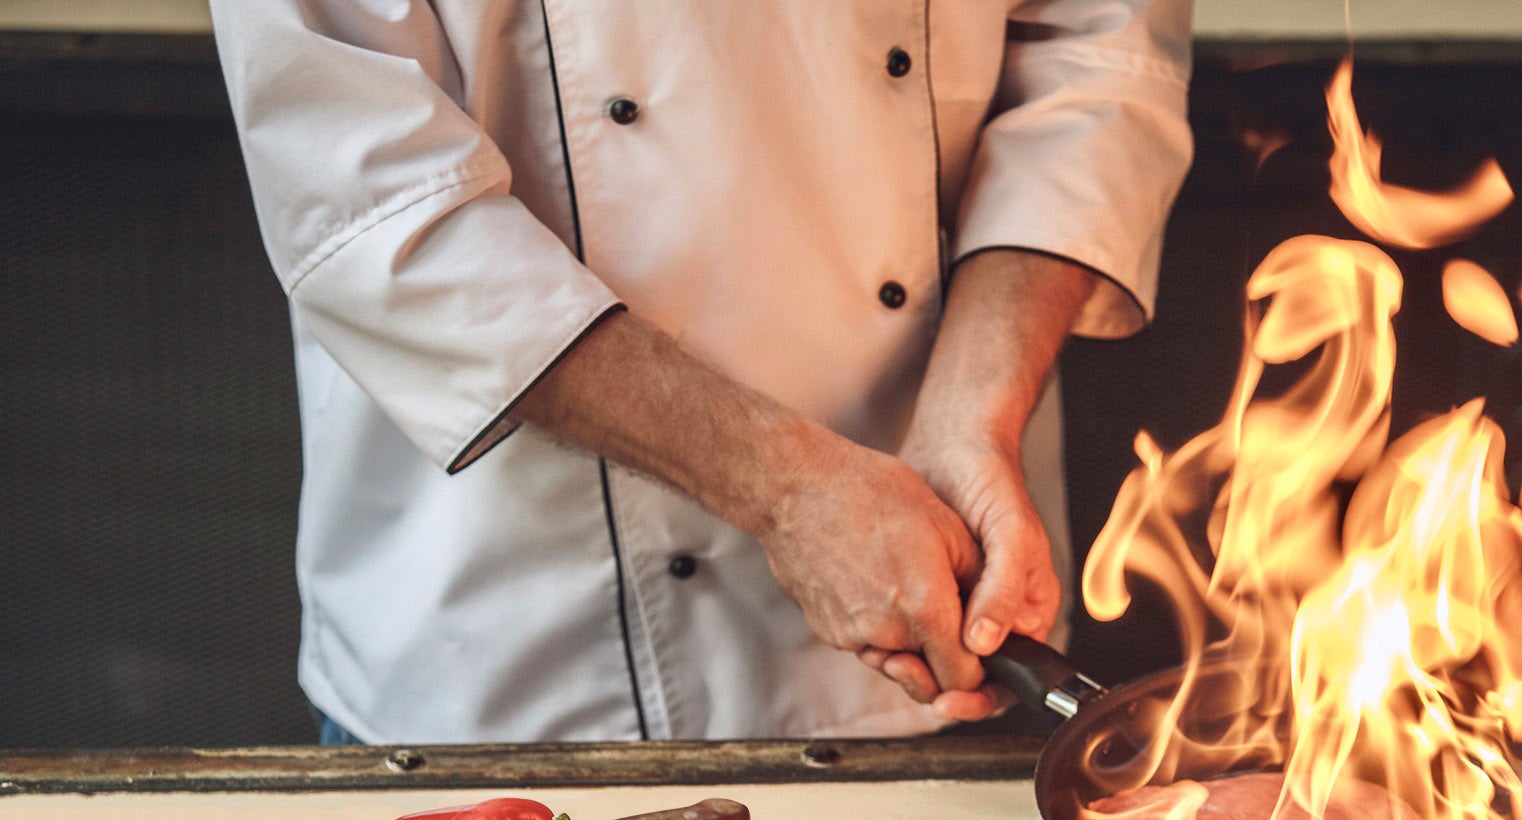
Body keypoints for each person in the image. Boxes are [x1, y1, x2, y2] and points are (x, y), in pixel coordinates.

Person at [210, 0, 1193, 742]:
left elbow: (1096, 61)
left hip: (948, 578)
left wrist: (972, 418)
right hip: (523, 647)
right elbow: (372, 198)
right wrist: (784, 489)